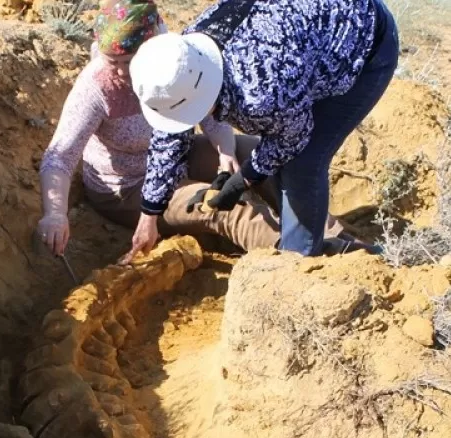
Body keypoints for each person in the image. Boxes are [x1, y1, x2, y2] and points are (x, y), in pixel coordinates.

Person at [35, 0, 340, 260]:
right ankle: (303, 262)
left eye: (126, 62)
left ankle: (336, 238)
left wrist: (225, 149)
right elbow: (60, 156)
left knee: (257, 153)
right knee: (222, 208)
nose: (118, 71)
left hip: (179, 154)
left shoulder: (170, 58)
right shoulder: (97, 88)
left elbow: (204, 102)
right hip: (128, 187)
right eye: (110, 61)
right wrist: (55, 214)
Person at [127, 0, 400, 259]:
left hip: (363, 43)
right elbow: (169, 139)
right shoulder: (181, 65)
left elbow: (294, 137)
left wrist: (245, 177)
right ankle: (304, 237)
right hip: (304, 44)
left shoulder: (259, 93)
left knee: (303, 164)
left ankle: (299, 262)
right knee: (283, 155)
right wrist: (150, 213)